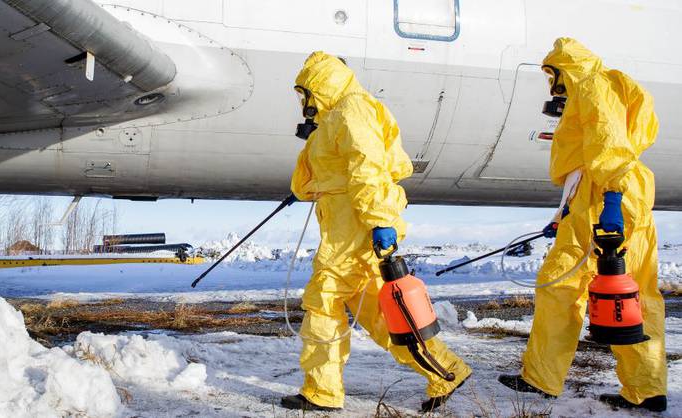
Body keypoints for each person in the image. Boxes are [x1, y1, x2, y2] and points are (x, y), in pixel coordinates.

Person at [280, 51, 471, 412]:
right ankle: (447, 370)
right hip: (345, 222)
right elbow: (329, 172)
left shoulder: (352, 111)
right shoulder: (336, 116)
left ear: (319, 84)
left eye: (304, 93)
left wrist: (381, 219)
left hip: (354, 224)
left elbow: (367, 169)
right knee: (383, 315)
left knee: (323, 301)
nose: (302, 102)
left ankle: (321, 391)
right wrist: (308, 171)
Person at [498, 38, 667, 412]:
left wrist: (610, 201)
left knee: (560, 285)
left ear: (566, 69)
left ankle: (541, 379)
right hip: (614, 191)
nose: (551, 84)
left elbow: (608, 144)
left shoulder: (592, 85)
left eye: (552, 74)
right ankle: (647, 389)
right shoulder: (603, 85)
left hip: (609, 191)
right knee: (636, 293)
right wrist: (563, 217)